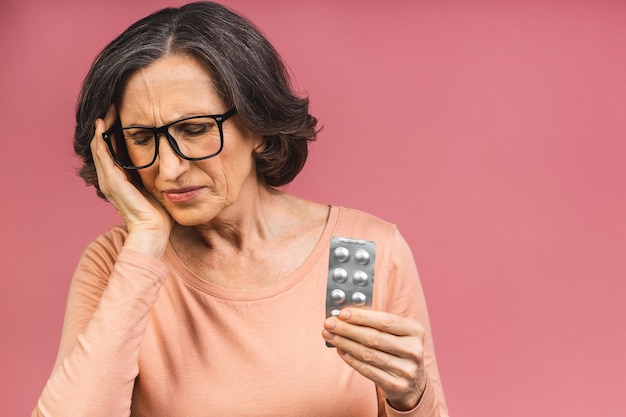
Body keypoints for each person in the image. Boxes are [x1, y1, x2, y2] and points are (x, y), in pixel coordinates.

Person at [32, 2, 448, 416]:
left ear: (259, 127)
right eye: (142, 138)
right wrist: (144, 238)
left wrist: (411, 397)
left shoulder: (370, 249)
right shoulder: (115, 264)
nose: (168, 169)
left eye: (194, 130)